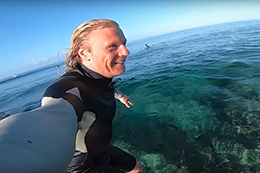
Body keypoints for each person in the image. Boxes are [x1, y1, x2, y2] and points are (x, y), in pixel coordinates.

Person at [0, 19, 143, 173]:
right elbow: (55, 111)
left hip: (100, 148)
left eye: (124, 43)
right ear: (84, 53)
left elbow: (99, 88)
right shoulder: (69, 89)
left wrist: (119, 96)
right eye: (112, 46)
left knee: (137, 167)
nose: (126, 52)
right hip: (83, 167)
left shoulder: (95, 76)